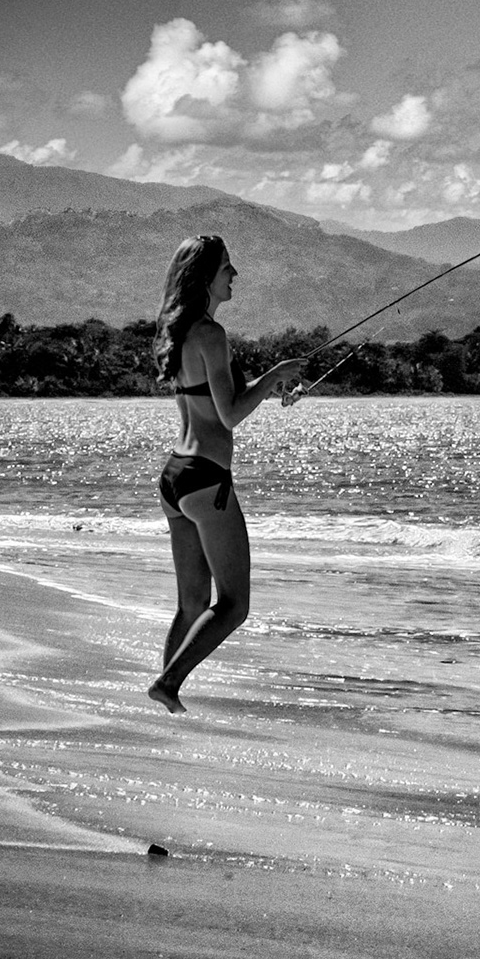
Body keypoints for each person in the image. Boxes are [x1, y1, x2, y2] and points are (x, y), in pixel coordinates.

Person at [147, 234, 303, 714]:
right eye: (227, 268)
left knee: (192, 604)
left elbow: (217, 401)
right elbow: (231, 414)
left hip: (176, 476)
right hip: (207, 478)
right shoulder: (212, 335)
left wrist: (270, 384)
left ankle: (164, 702)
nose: (235, 276)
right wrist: (276, 372)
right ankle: (168, 685)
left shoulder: (177, 329)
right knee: (234, 605)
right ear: (206, 278)